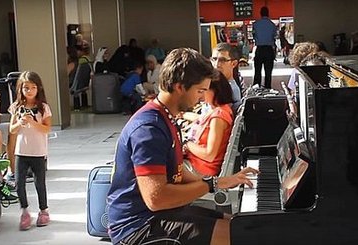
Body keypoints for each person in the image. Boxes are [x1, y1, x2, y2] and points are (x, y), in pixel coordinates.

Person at [107, 48, 258, 245]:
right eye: (200, 91)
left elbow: (175, 171)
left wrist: (219, 182)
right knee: (236, 236)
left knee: (237, 226)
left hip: (158, 214)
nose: (203, 98)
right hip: (137, 226)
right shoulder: (149, 129)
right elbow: (157, 198)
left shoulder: (166, 116)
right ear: (179, 87)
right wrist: (210, 185)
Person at [8, 71, 52, 231]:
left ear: (38, 89)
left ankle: (44, 210)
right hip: (21, 152)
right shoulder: (16, 107)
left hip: (38, 152)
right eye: (26, 88)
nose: (30, 91)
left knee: (39, 183)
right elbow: (12, 130)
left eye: (33, 87)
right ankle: (25, 211)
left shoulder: (43, 108)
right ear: (20, 89)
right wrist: (20, 122)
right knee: (19, 184)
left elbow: (47, 129)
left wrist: (33, 122)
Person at [182, 73, 234, 176]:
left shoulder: (218, 117)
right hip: (196, 164)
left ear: (215, 91)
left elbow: (210, 154)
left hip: (200, 169)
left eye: (204, 90)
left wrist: (186, 144)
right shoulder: (218, 110)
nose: (201, 94)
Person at [210, 43, 242, 112]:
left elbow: (218, 117)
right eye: (214, 59)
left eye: (222, 60)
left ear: (234, 64)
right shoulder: (216, 85)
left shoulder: (229, 89)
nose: (217, 64)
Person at [252, 6, 277, 89]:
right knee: (268, 73)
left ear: (260, 14)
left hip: (259, 50)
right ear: (268, 13)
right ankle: (267, 88)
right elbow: (274, 37)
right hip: (269, 50)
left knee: (257, 72)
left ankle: (256, 88)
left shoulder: (255, 24)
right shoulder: (272, 25)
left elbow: (254, 36)